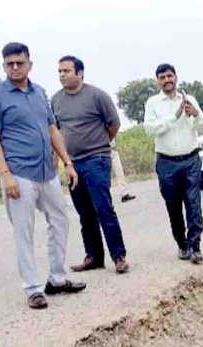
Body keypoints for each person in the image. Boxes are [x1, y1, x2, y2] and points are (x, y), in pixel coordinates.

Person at [0, 42, 85, 309]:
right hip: (19, 173)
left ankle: (57, 278)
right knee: (24, 230)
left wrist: (67, 162)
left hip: (46, 171)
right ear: (4, 66)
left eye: (20, 62)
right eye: (9, 64)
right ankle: (33, 288)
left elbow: (52, 130)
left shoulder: (40, 92)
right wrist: (5, 175)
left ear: (30, 64)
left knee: (61, 218)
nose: (15, 68)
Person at [51, 55, 130, 274]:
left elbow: (114, 124)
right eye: (59, 71)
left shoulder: (97, 96)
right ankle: (93, 257)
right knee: (84, 213)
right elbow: (55, 131)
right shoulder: (56, 100)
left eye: (66, 71)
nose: (62, 75)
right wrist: (59, 160)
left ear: (80, 73)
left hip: (96, 159)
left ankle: (118, 256)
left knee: (103, 207)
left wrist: (100, 143)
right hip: (72, 164)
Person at [144, 64, 203, 263]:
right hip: (167, 162)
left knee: (193, 203)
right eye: (162, 77)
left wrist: (195, 113)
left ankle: (195, 246)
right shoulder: (153, 103)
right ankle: (182, 244)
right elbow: (149, 129)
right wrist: (175, 116)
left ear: (176, 77)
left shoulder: (189, 99)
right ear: (158, 81)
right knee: (173, 205)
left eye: (169, 76)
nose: (167, 80)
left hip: (190, 159)